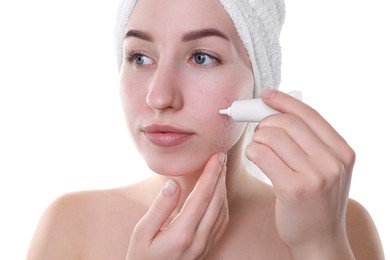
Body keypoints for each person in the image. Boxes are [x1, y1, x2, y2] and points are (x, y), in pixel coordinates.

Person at [26, 0, 385, 259]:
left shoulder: (339, 224)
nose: (160, 96)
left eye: (201, 57)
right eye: (140, 57)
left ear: (259, 79)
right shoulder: (71, 223)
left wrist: (317, 246)